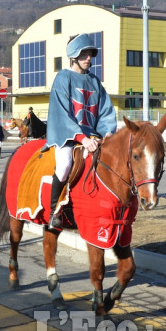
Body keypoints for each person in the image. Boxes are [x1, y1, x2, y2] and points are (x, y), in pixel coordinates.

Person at [45, 34, 117, 230]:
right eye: (84, 54)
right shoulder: (62, 78)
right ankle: (54, 212)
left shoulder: (94, 81)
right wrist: (82, 138)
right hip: (67, 136)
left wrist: (108, 132)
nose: (88, 59)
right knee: (65, 164)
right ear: (73, 56)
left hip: (92, 135)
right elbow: (61, 114)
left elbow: (105, 111)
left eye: (90, 55)